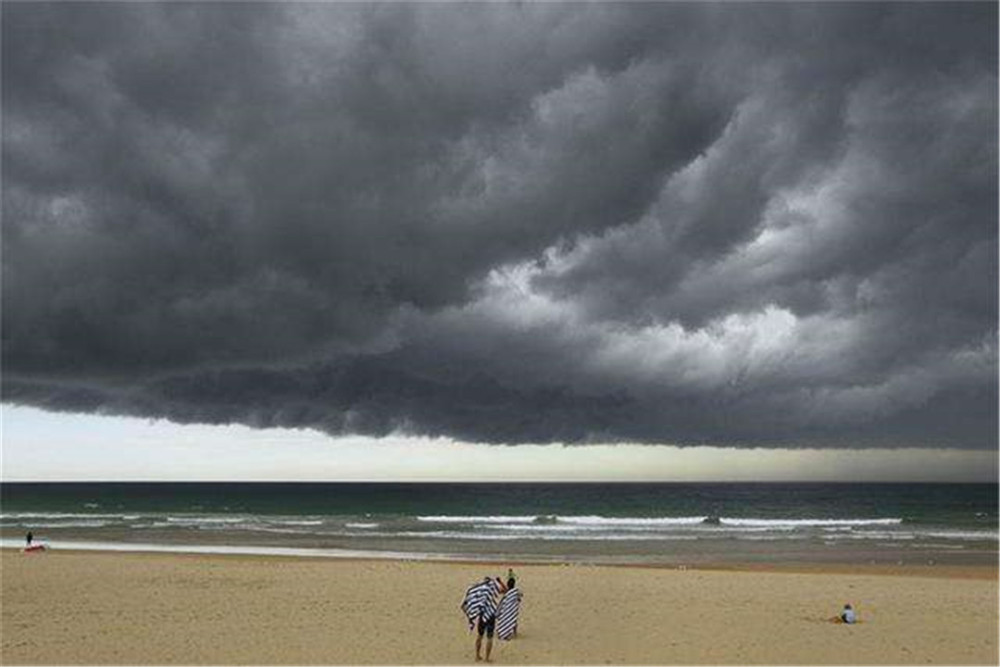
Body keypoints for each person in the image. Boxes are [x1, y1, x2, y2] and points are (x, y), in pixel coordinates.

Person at [461, 575, 506, 662]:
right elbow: (505, 590)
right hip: (491, 614)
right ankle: (487, 658)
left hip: (482, 615)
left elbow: (473, 598)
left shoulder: (481, 591)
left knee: (480, 635)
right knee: (489, 637)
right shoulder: (492, 589)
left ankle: (477, 656)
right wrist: (500, 581)